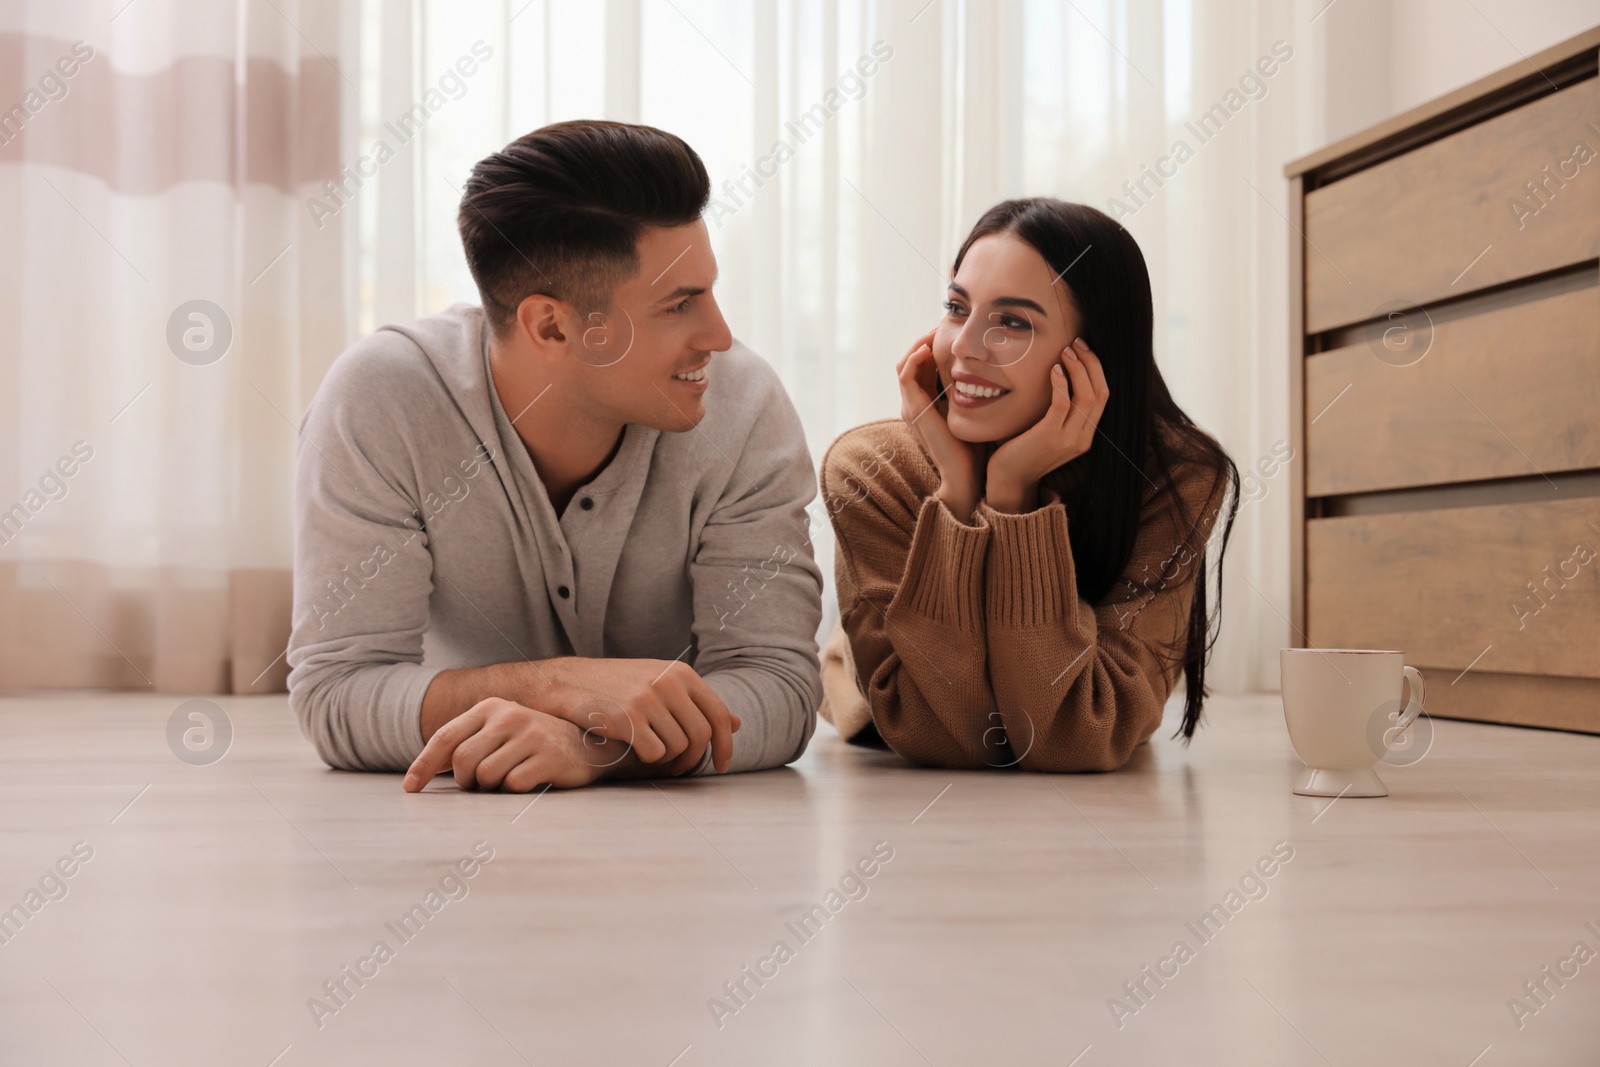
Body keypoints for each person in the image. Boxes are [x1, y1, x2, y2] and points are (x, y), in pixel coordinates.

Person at [287, 120, 824, 792]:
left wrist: (593, 749)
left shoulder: (744, 408)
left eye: (710, 291)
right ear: (553, 325)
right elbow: (338, 692)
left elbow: (780, 684)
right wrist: (554, 682)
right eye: (679, 305)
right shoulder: (381, 399)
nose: (718, 334)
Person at [817, 198, 1239, 771]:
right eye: (956, 308)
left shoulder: (1176, 477)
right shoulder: (872, 470)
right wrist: (959, 495)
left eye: (1012, 323)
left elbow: (1075, 736)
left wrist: (1013, 495)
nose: (965, 347)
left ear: (1093, 355)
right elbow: (947, 735)